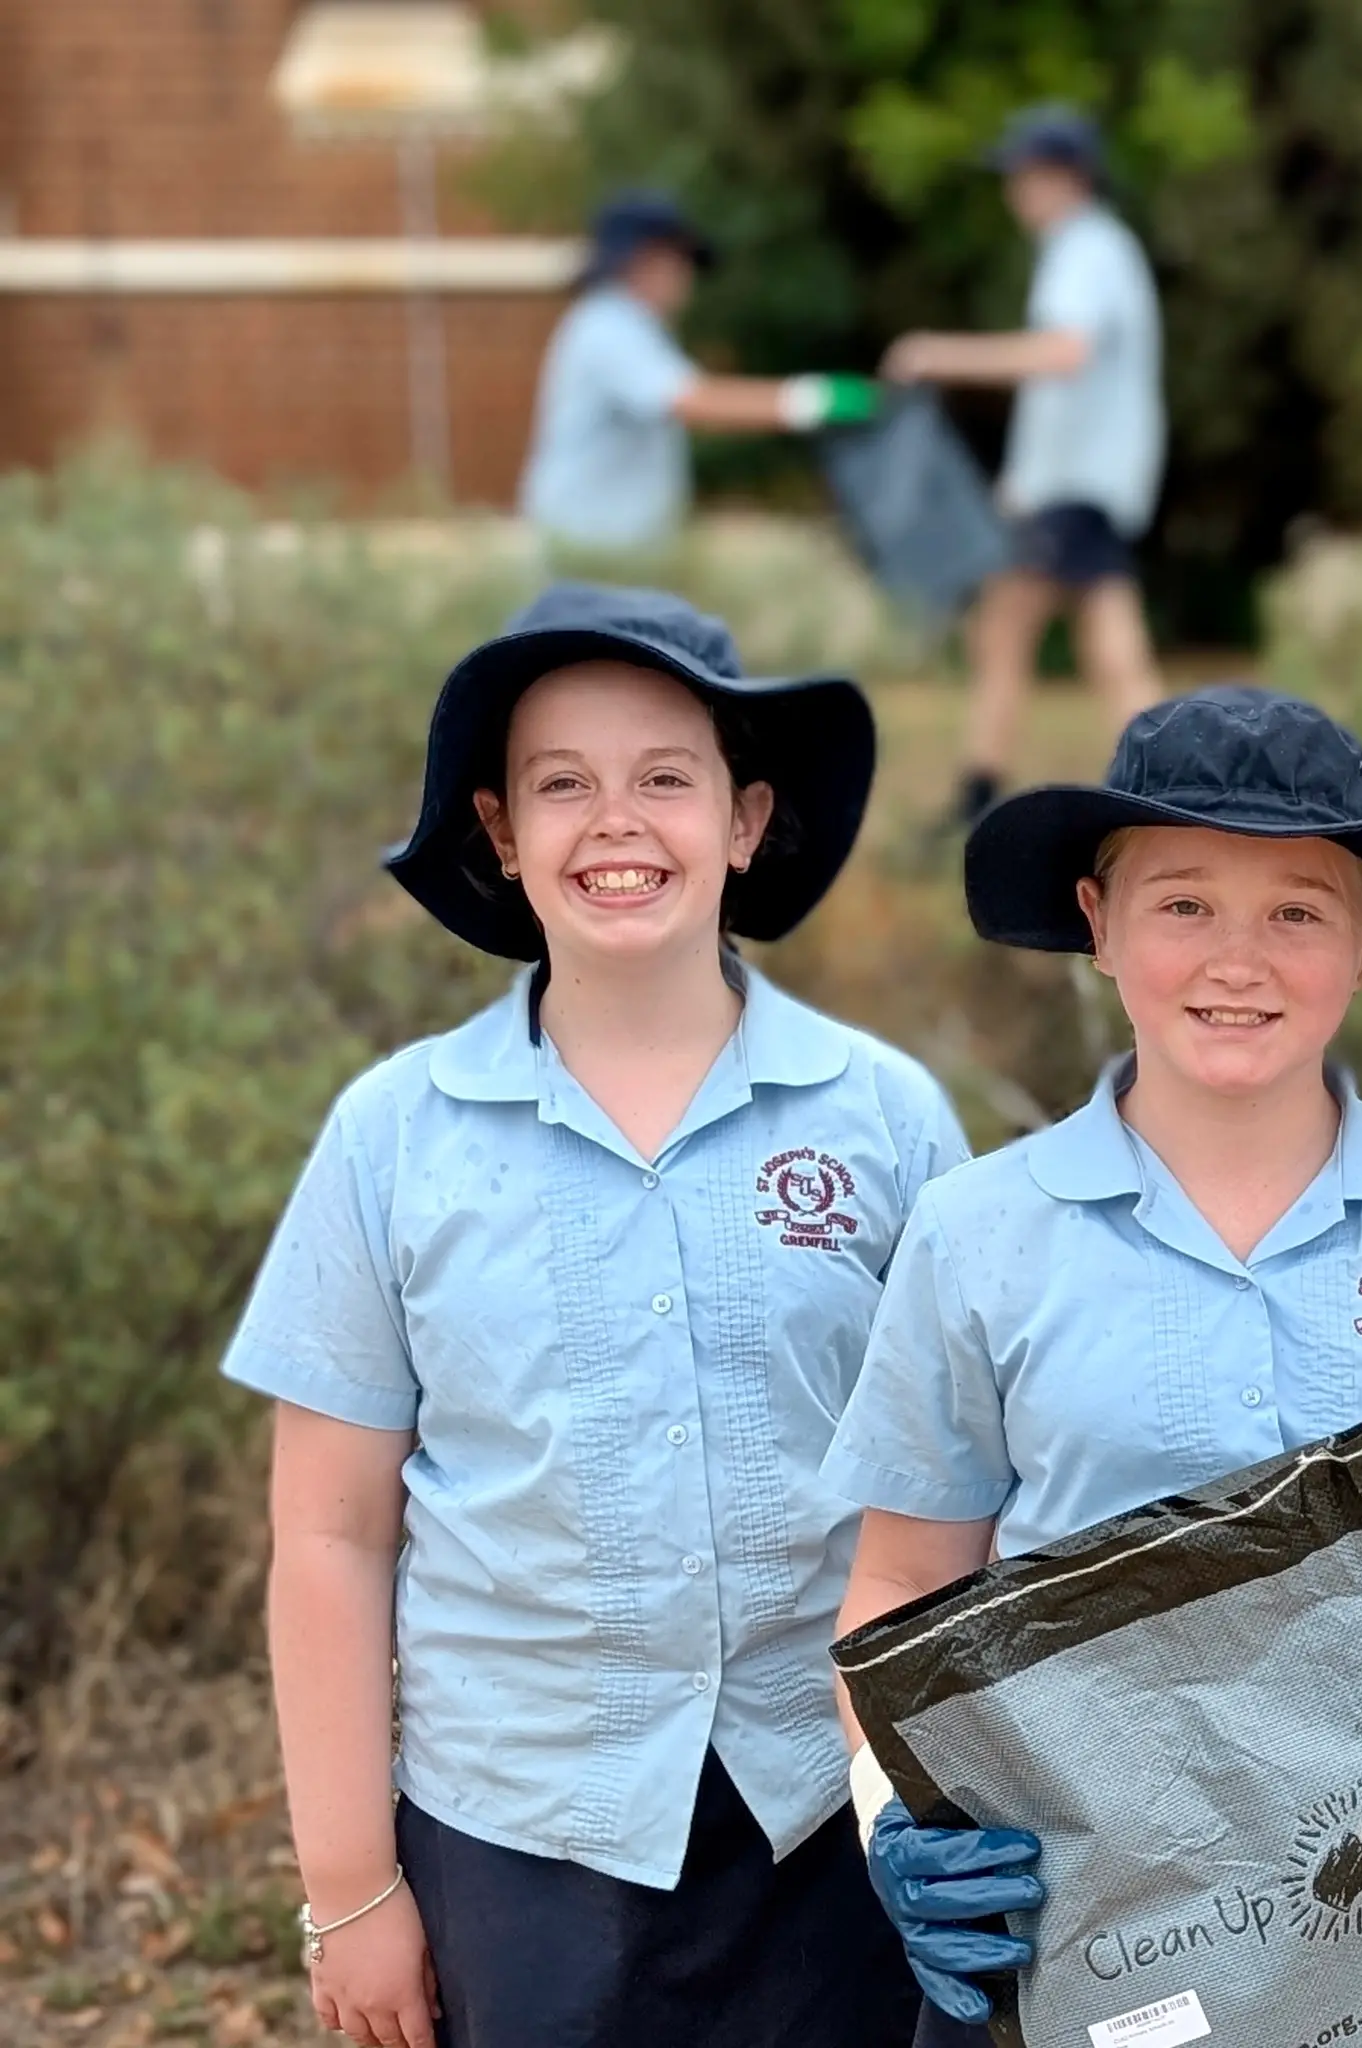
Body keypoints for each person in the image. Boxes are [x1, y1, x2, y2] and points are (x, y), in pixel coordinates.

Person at [822, 685, 1362, 2042]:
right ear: (1097, 923)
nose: (1238, 959)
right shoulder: (978, 1236)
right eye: (1184, 903)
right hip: (1098, 1905)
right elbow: (902, 1585)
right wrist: (888, 1816)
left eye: (1298, 911)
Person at [224, 584, 959, 2048]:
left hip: (841, 1815)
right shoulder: (394, 1137)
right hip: (519, 1834)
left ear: (746, 822)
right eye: (563, 784)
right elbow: (330, 1533)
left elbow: (976, 1492)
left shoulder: (886, 1120)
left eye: (664, 780)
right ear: (501, 835)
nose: (616, 823)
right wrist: (353, 1889)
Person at [879, 105, 1166, 827]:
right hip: (1081, 483)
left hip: (1076, 485)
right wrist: (1022, 481)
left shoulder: (1085, 250)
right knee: (1099, 640)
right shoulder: (1098, 249)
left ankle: (979, 802)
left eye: (1023, 175)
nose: (1014, 191)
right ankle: (1168, 787)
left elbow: (1063, 355)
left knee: (1010, 629)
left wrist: (939, 354)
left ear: (1064, 178)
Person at [518, 191, 880, 557]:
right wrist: (817, 400)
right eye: (679, 262)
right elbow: (694, 401)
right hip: (588, 552)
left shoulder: (632, 328)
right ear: (642, 259)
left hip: (613, 555)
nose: (686, 278)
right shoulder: (609, 328)